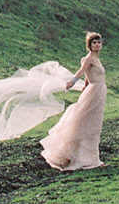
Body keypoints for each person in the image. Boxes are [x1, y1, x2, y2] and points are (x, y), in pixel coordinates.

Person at [40, 31, 106, 171]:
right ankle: (87, 159)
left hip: (97, 92)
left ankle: (91, 158)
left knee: (93, 124)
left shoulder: (96, 58)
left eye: (99, 42)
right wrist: (72, 82)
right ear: (89, 45)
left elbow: (89, 76)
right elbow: (81, 72)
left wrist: (86, 86)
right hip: (94, 93)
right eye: (94, 42)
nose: (97, 44)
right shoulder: (89, 58)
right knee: (88, 124)